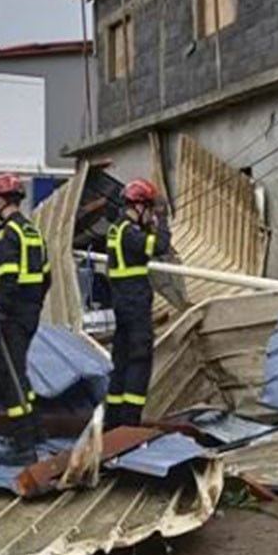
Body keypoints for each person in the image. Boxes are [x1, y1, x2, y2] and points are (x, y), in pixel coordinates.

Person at [0, 174, 51, 466]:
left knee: (9, 374)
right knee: (19, 371)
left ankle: (23, 445)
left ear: (1, 201)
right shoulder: (32, 232)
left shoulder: (7, 234)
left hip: (13, 315)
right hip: (30, 312)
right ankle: (35, 429)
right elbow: (46, 276)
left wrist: (0, 314)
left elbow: (8, 279)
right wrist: (33, 305)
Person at [104, 179, 171, 430]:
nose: (151, 214)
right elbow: (160, 246)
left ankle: (112, 423)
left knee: (121, 360)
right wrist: (162, 222)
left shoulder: (118, 229)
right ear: (139, 206)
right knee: (139, 361)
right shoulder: (129, 233)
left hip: (122, 302)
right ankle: (130, 424)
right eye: (150, 209)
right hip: (134, 303)